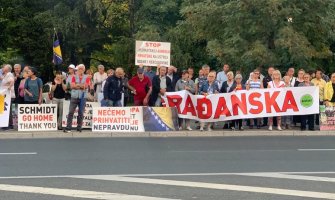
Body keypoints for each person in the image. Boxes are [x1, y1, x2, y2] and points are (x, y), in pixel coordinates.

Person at [64, 64, 91, 133]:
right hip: (74, 96)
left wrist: (77, 85)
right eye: (79, 69)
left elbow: (86, 86)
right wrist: (80, 86)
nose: (80, 70)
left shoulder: (87, 77)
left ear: (84, 70)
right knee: (70, 112)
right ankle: (68, 127)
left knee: (81, 112)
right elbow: (72, 86)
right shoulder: (74, 77)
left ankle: (79, 127)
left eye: (82, 69)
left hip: (83, 97)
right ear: (77, 69)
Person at [0, 64, 15, 130]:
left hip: (9, 95)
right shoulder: (5, 75)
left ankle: (9, 125)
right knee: (5, 109)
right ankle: (5, 124)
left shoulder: (9, 74)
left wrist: (8, 88)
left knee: (8, 109)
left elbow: (12, 81)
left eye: (4, 67)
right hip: (5, 95)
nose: (2, 68)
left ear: (7, 69)